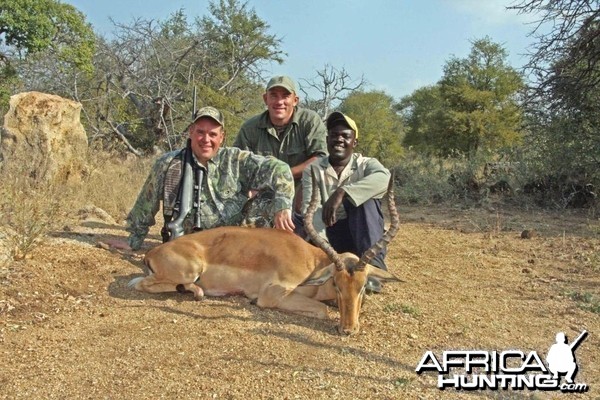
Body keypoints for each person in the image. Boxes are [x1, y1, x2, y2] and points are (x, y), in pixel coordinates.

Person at [112, 106, 295, 251]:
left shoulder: (235, 159)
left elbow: (280, 168)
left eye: (213, 134)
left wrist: (283, 204)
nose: (205, 139)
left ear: (222, 137)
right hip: (189, 245)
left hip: (233, 241)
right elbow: (146, 203)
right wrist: (133, 240)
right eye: (200, 132)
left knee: (270, 199)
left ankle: (261, 256)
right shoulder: (168, 163)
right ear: (191, 132)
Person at [298, 111, 391, 293]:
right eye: (334, 135)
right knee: (307, 216)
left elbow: (384, 179)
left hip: (362, 236)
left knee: (367, 202)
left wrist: (343, 192)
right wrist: (328, 254)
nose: (339, 139)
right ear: (327, 140)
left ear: (354, 142)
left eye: (345, 136)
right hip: (330, 239)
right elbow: (312, 211)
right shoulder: (313, 169)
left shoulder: (366, 164)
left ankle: (374, 271)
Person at [233, 75, 328, 211]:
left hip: (301, 193)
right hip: (263, 195)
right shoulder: (250, 128)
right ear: (265, 99)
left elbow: (321, 159)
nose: (279, 102)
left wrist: (283, 174)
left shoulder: (310, 121)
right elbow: (238, 166)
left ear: (295, 100)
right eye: (274, 96)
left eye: (285, 96)